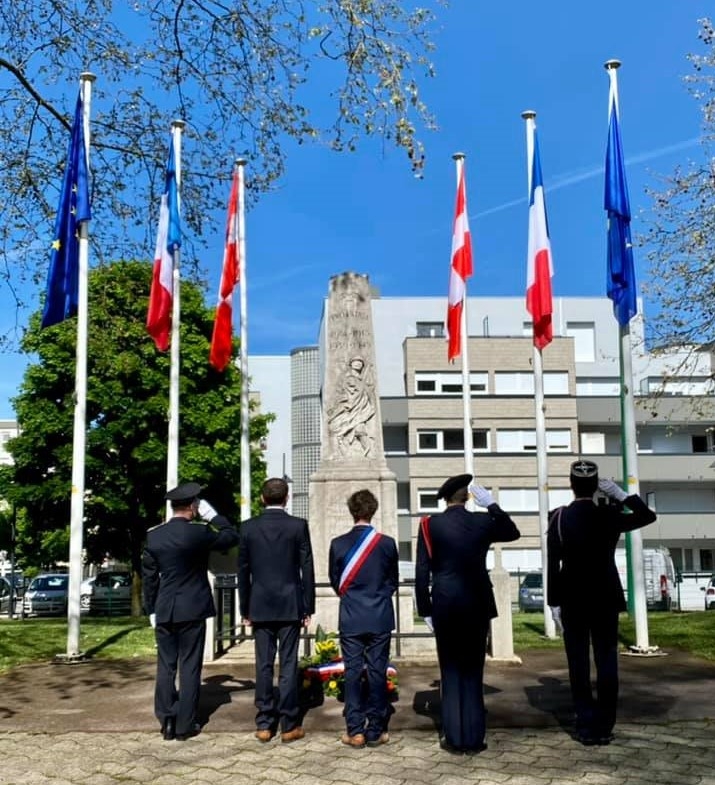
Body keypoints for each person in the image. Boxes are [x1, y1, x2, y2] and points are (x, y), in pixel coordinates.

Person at [547, 459, 657, 746]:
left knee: (578, 664)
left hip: (572, 599)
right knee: (607, 663)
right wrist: (621, 494)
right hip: (605, 598)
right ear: (597, 486)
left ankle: (585, 725)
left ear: (571, 485)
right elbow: (647, 516)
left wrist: (553, 601)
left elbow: (552, 564)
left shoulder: (558, 517)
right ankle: (605, 725)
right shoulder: (609, 515)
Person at [415, 474, 520, 755]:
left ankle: (454, 738)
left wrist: (425, 609)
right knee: (474, 671)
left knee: (450, 671)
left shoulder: (429, 524)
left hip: (445, 604)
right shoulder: (483, 522)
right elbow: (512, 532)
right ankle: (474, 738)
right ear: (469, 497)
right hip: (476, 603)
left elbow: (422, 571)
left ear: (446, 498)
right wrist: (493, 506)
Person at [142, 482, 238, 741]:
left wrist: (151, 609)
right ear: (193, 506)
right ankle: (185, 724)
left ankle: (166, 720)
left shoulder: (154, 535)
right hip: (193, 608)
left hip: (165, 608)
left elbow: (150, 578)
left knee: (166, 666)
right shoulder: (200, 532)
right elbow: (230, 536)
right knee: (189, 666)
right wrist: (214, 516)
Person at [237, 477, 315, 744]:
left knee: (264, 665)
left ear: (261, 498)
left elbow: (243, 572)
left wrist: (244, 607)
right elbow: (307, 568)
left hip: (259, 604)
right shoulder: (298, 526)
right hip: (291, 604)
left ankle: (264, 723)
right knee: (289, 664)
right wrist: (308, 605)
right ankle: (289, 723)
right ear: (287, 498)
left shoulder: (247, 528)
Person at [328, 488, 399, 749]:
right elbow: (392, 580)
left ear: (351, 511)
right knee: (378, 672)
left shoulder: (338, 544)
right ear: (373, 511)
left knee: (353, 672)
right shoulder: (388, 543)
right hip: (380, 616)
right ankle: (375, 731)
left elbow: (336, 582)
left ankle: (355, 731)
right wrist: (378, 597)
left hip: (351, 617)